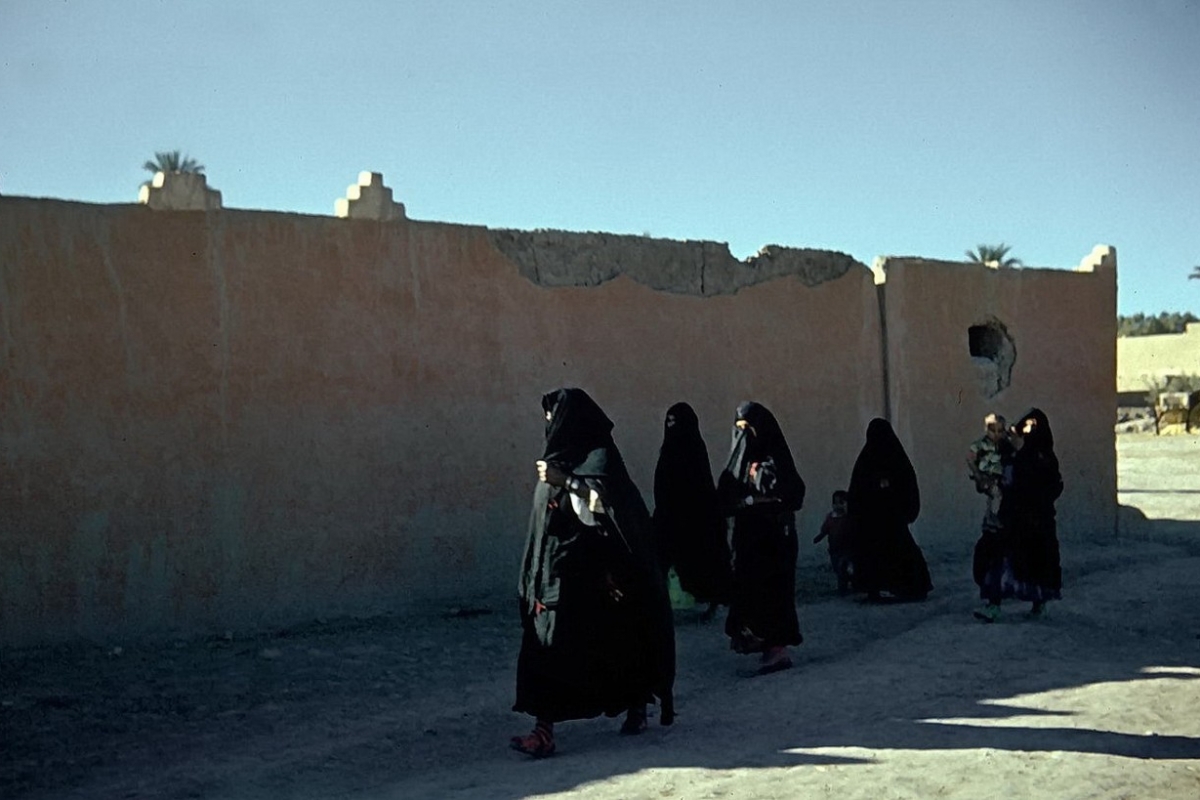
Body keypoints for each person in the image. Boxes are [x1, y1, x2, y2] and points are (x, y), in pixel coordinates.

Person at [511, 388, 675, 758]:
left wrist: (567, 482)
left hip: (597, 586)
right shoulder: (552, 464)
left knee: (613, 649)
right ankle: (544, 729)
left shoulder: (599, 465)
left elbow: (607, 512)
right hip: (553, 583)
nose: (549, 425)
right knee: (544, 651)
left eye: (554, 417)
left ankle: (636, 704)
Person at [716, 401, 806, 674]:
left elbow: (792, 493)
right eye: (739, 429)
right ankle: (758, 641)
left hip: (775, 537)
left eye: (749, 429)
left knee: (774, 592)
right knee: (749, 590)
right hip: (747, 539)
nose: (744, 436)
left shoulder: (774, 459)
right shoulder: (740, 463)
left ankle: (777, 650)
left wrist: (757, 494)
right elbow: (726, 494)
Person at [973, 407, 1064, 623]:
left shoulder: (1043, 458)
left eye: (1033, 425)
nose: (1027, 429)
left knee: (1035, 563)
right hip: (1009, 519)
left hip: (1035, 522)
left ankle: (1038, 604)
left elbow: (1053, 486)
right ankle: (993, 605)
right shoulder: (1009, 454)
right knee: (999, 561)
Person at [652, 402, 732, 618]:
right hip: (669, 515)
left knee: (704, 559)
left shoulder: (694, 449)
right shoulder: (667, 451)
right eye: (668, 421)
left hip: (696, 517)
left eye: (675, 421)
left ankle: (712, 602)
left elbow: (701, 483)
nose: (670, 426)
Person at [848, 418, 933, 602]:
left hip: (892, 520)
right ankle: (877, 588)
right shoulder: (867, 461)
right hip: (876, 520)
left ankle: (907, 587)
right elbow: (858, 491)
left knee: (897, 551)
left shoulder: (892, 459)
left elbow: (907, 485)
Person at [966, 412, 1013, 529]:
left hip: (1000, 476)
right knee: (996, 494)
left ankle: (991, 517)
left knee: (998, 496)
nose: (996, 434)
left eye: (1000, 431)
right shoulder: (981, 445)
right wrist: (978, 475)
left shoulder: (1005, 444)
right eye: (993, 431)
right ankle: (993, 516)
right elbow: (970, 459)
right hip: (987, 475)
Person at [812, 490, 853, 593]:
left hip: (846, 548)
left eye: (841, 503)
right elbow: (825, 529)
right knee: (837, 567)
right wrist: (819, 537)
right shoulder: (830, 517)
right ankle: (845, 581)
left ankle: (843, 587)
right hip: (834, 549)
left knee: (842, 566)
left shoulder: (848, 518)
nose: (838, 506)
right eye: (835, 503)